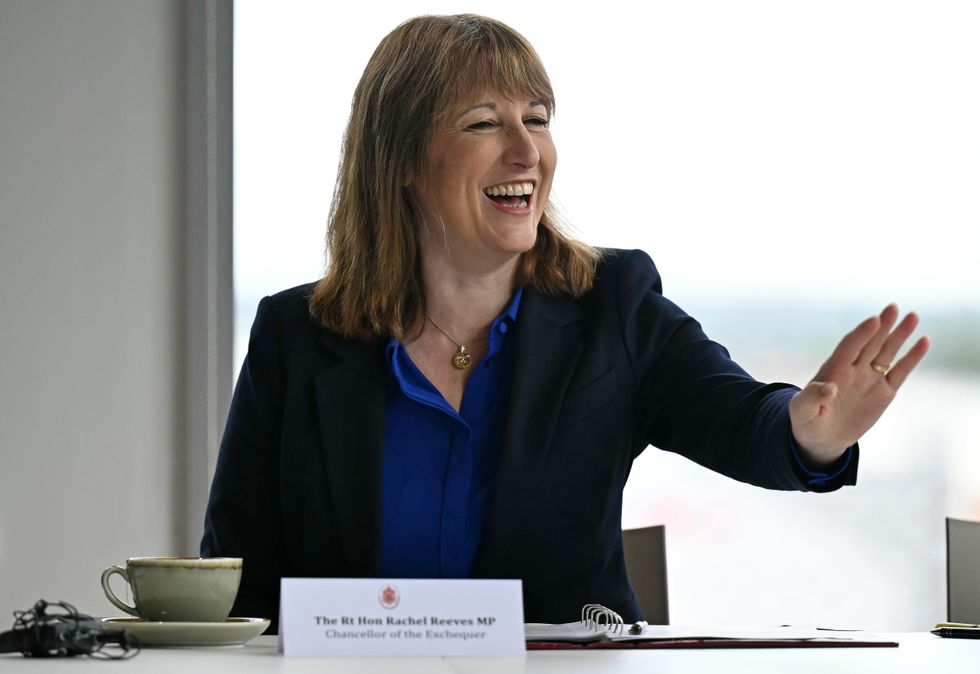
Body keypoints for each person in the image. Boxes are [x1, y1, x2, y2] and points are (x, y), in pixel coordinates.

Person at [201, 14, 930, 630]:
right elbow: (237, 585)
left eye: (538, 120)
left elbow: (741, 419)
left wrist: (810, 434)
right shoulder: (295, 335)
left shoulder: (615, 306)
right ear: (402, 160)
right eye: (485, 123)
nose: (527, 152)